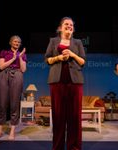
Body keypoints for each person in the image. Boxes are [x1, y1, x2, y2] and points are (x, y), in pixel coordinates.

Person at [45, 17, 86, 150]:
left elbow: (83, 62)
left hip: (75, 83)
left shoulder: (78, 42)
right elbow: (47, 60)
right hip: (57, 82)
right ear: (61, 27)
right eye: (66, 24)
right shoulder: (53, 41)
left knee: (74, 116)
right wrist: (58, 57)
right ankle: (57, 146)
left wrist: (73, 55)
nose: (69, 26)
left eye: (71, 25)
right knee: (58, 116)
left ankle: (74, 146)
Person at [0, 35, 27, 140]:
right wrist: (12, 58)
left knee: (14, 104)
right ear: (10, 42)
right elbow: (1, 66)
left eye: (19, 42)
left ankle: (12, 131)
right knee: (2, 104)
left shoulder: (22, 54)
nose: (17, 43)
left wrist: (19, 57)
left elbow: (23, 69)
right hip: (4, 75)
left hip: (17, 75)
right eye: (15, 41)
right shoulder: (4, 52)